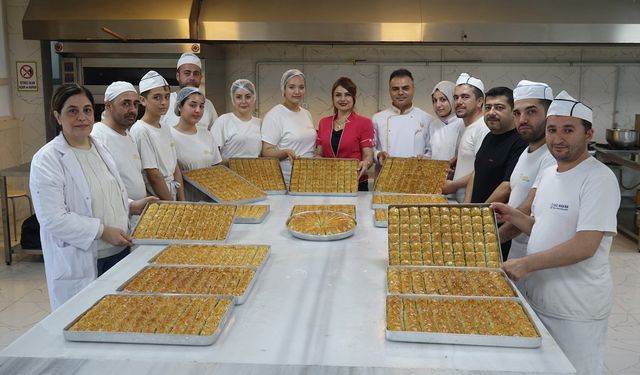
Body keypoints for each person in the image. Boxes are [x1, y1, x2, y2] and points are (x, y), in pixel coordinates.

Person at [491, 91, 620, 375]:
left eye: (568, 130)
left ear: (588, 134)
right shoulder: (550, 174)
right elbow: (544, 227)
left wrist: (525, 263)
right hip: (538, 296)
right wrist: (513, 215)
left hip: (576, 307)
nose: (558, 138)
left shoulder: (598, 179)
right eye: (552, 130)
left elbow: (585, 245)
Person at [30, 84, 155, 310]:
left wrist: (130, 206)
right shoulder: (47, 159)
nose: (82, 117)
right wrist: (102, 231)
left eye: (87, 110)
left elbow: (106, 193)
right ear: (58, 116)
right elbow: (53, 218)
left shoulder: (99, 148)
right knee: (90, 320)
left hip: (120, 251)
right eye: (72, 111)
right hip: (86, 260)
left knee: (120, 316)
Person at [499, 80, 556, 263]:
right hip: (517, 250)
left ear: (550, 114)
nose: (522, 120)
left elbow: (527, 208)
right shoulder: (526, 151)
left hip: (536, 255)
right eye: (517, 113)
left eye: (531, 111)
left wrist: (489, 241)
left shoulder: (552, 156)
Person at [466, 87, 527, 204]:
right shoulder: (489, 136)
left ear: (513, 112)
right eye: (488, 108)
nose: (491, 113)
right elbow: (476, 173)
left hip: (496, 218)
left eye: (499, 108)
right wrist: (466, 208)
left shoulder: (520, 142)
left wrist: (479, 212)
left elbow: (506, 187)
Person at [130, 71, 185, 201]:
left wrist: (182, 201)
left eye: (166, 97)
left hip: (172, 193)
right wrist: (172, 205)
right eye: (157, 97)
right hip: (158, 197)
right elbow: (154, 176)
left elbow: (175, 167)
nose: (164, 102)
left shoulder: (165, 127)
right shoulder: (140, 130)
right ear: (143, 100)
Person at [314, 77, 374, 191]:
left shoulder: (364, 123)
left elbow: (368, 155)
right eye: (338, 95)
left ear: (354, 97)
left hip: (356, 182)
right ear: (333, 98)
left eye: (347, 94)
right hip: (328, 182)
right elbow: (319, 154)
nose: (343, 99)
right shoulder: (324, 123)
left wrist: (366, 163)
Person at [91, 81, 147, 201]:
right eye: (126, 104)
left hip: (137, 215)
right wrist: (131, 206)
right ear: (108, 106)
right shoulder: (97, 137)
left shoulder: (128, 134)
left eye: (135, 104)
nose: (132, 109)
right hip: (117, 215)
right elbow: (98, 188)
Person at [261, 69, 317, 185]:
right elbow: (266, 152)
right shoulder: (275, 115)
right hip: (287, 180)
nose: (297, 91)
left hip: (310, 177)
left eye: (301, 87)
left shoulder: (306, 114)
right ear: (283, 89)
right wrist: (286, 152)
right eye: (292, 87)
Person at [442, 73, 489, 202]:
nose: (459, 102)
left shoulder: (483, 128)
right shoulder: (467, 127)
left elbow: (483, 170)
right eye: (456, 97)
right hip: (460, 200)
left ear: (480, 102)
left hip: (472, 202)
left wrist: (454, 185)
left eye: (465, 97)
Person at [372, 69, 433, 166]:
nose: (400, 93)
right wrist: (378, 155)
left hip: (415, 175)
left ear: (413, 89)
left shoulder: (427, 119)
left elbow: (431, 151)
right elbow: (371, 149)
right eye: (395, 89)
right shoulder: (377, 118)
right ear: (389, 91)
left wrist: (424, 158)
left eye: (405, 88)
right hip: (385, 176)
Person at [161, 53, 218, 131]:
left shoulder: (208, 105)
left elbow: (215, 135)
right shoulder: (166, 101)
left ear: (201, 77)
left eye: (196, 74)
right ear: (178, 76)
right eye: (187, 73)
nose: (192, 77)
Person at [171, 87, 222, 171]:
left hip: (207, 183)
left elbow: (216, 165)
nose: (198, 110)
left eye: (201, 106)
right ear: (180, 106)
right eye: (192, 105)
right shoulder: (170, 135)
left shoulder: (207, 135)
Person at [211, 79, 262, 162]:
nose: (243, 101)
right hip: (229, 173)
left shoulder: (260, 123)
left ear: (254, 98)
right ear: (233, 99)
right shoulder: (223, 121)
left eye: (248, 97)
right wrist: (235, 164)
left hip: (254, 173)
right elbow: (212, 153)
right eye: (238, 97)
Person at [429, 81, 465, 161]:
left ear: (453, 100)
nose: (438, 105)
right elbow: (432, 153)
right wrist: (425, 158)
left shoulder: (463, 123)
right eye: (435, 100)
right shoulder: (434, 125)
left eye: (443, 100)